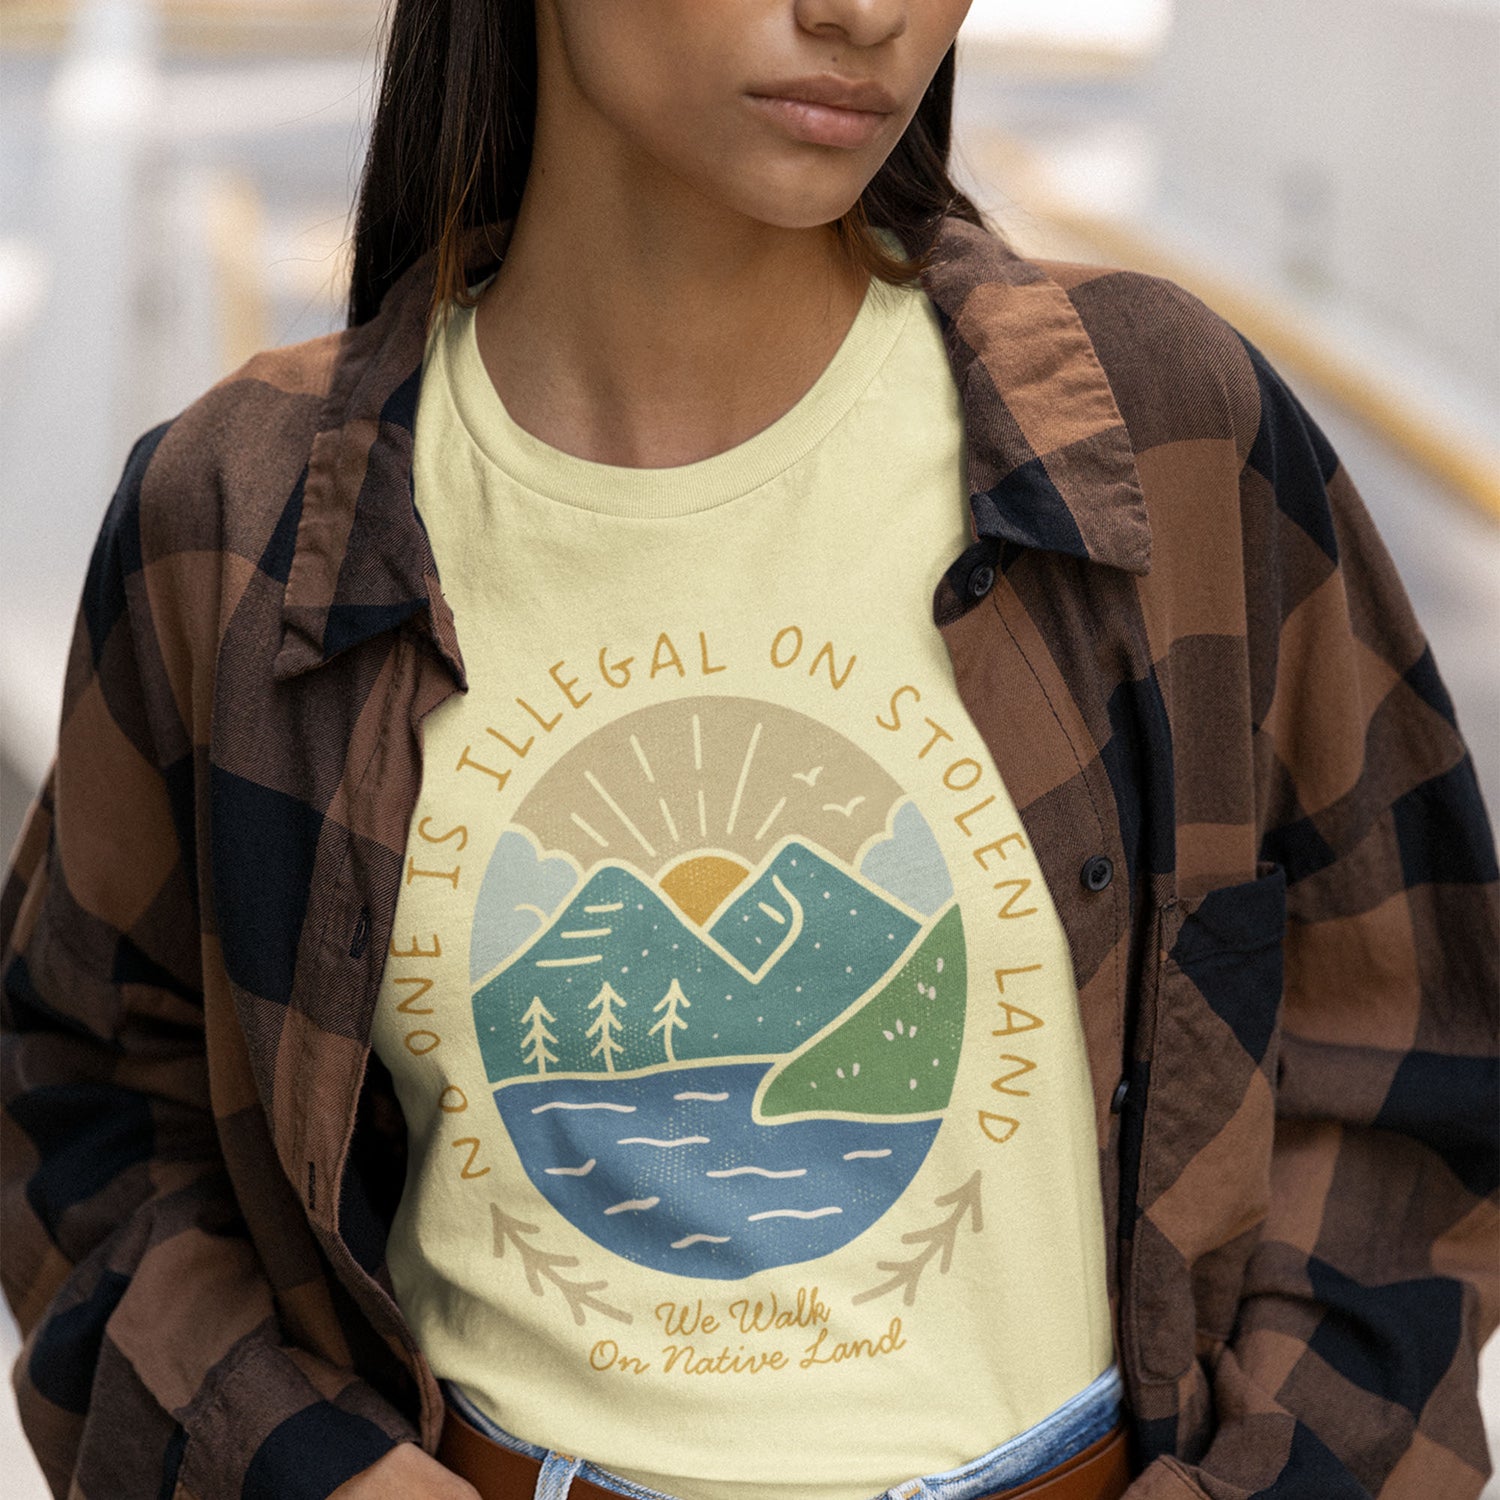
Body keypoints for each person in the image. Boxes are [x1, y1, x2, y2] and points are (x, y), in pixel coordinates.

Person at [2, 0, 1496, 1497]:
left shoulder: (1162, 435)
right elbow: (88, 1104)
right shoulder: (242, 521)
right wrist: (310, 1472)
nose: (866, 11)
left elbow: (1407, 1078)